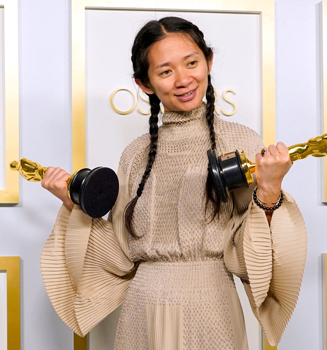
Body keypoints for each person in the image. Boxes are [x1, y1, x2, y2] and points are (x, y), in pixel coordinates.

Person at [39, 17, 307, 350]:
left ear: (208, 61)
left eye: (191, 63)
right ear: (145, 84)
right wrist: (72, 201)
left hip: (212, 305)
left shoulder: (240, 141)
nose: (183, 80)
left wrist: (270, 189)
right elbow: (119, 252)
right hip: (143, 309)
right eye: (165, 71)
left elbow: (253, 251)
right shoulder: (135, 154)